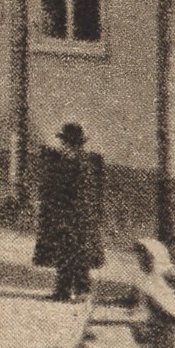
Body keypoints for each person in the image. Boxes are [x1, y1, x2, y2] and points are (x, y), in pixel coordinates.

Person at [33, 122, 107, 301]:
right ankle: (68, 291)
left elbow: (75, 193)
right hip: (76, 218)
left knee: (74, 255)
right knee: (68, 255)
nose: (63, 147)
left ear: (71, 144)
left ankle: (77, 291)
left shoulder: (79, 164)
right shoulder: (79, 162)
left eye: (65, 143)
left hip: (75, 218)